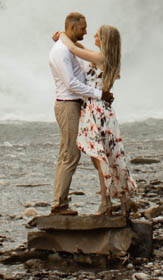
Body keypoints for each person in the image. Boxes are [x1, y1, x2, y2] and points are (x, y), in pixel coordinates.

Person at [54, 23, 138, 218]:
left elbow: (75, 49)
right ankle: (123, 201)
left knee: (100, 159)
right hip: (103, 111)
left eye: (98, 35)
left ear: (105, 40)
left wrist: (62, 35)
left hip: (96, 111)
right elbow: (83, 50)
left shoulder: (101, 58)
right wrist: (67, 38)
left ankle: (106, 203)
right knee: (108, 157)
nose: (93, 36)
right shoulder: (107, 58)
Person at [48, 11, 111, 215]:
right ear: (73, 27)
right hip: (68, 105)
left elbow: (80, 74)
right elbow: (71, 83)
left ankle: (62, 202)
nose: (86, 31)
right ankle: (59, 205)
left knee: (69, 153)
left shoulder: (69, 49)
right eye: (83, 28)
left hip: (76, 104)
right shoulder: (61, 52)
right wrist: (98, 93)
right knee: (70, 154)